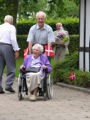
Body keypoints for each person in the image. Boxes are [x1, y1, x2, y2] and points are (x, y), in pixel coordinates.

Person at [0, 15, 20, 94]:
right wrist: (16, 50)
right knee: (11, 66)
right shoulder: (11, 27)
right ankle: (8, 85)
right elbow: (12, 39)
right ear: (11, 21)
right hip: (7, 47)